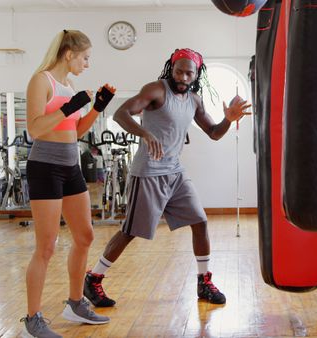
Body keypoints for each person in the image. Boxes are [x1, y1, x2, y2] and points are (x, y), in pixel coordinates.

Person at [83, 48, 250, 307]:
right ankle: (93, 278)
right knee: (130, 231)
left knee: (200, 221)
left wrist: (228, 119)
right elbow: (121, 114)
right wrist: (146, 134)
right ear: (172, 68)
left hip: (175, 172)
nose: (183, 77)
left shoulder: (194, 100)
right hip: (148, 172)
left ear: (197, 74)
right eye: (179, 71)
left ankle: (203, 281)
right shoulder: (156, 91)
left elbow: (215, 133)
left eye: (188, 73)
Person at [21, 29, 116, 338]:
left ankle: (75, 303)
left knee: (85, 236)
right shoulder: (42, 81)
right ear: (69, 54)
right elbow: (35, 128)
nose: (87, 64)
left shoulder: (69, 85)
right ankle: (33, 319)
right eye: (85, 57)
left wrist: (98, 107)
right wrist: (68, 106)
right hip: (45, 166)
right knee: (46, 246)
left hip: (70, 164)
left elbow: (74, 132)